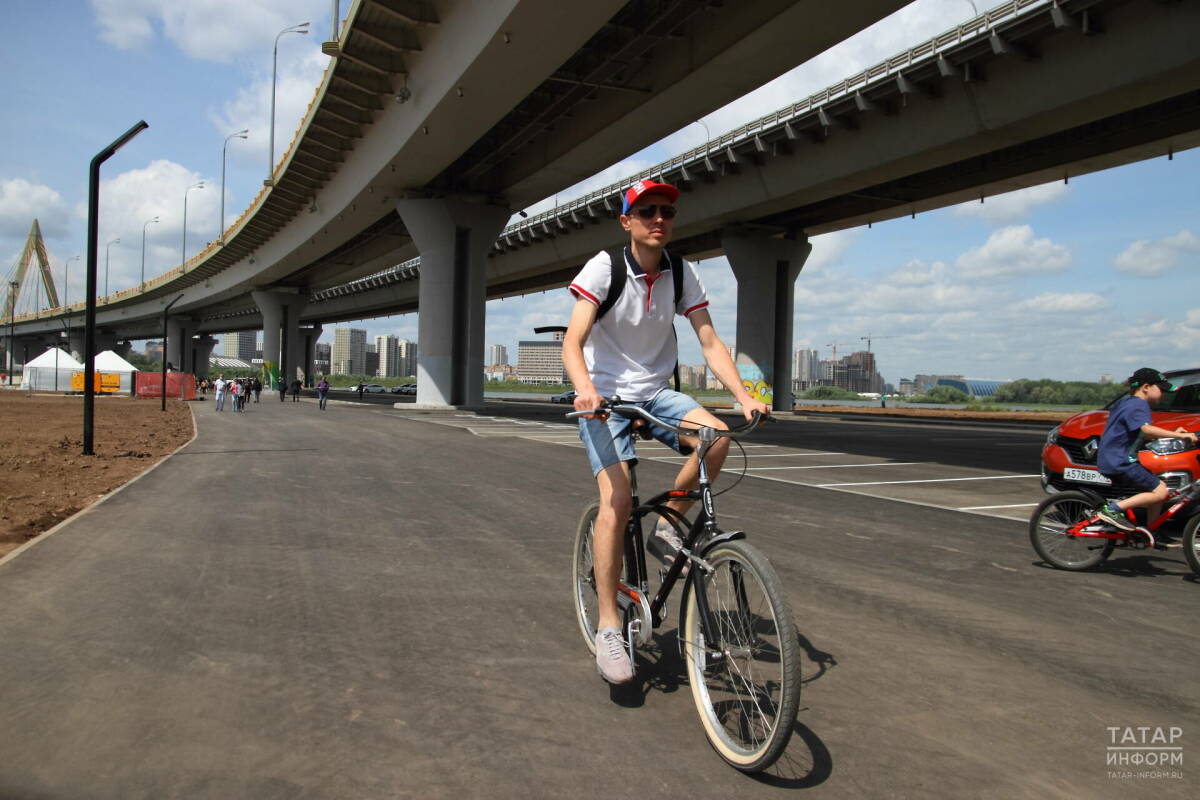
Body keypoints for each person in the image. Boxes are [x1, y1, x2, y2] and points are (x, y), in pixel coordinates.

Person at [562, 178, 770, 685]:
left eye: (668, 213)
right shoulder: (605, 268)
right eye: (648, 211)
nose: (660, 220)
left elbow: (709, 340)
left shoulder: (681, 272)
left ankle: (668, 524)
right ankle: (610, 624)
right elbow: (573, 341)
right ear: (627, 221)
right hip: (606, 398)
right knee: (617, 502)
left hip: (656, 393)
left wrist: (743, 394)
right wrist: (586, 389)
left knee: (717, 436)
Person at [1094, 368, 1197, 533]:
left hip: (1111, 458)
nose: (1163, 394)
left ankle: (1151, 531)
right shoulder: (1139, 405)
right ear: (1146, 387)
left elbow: (1138, 434)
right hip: (1121, 461)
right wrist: (1181, 436)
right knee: (1160, 492)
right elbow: (1147, 430)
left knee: (1157, 490)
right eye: (1161, 389)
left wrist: (1174, 435)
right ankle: (1112, 510)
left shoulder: (1126, 402)